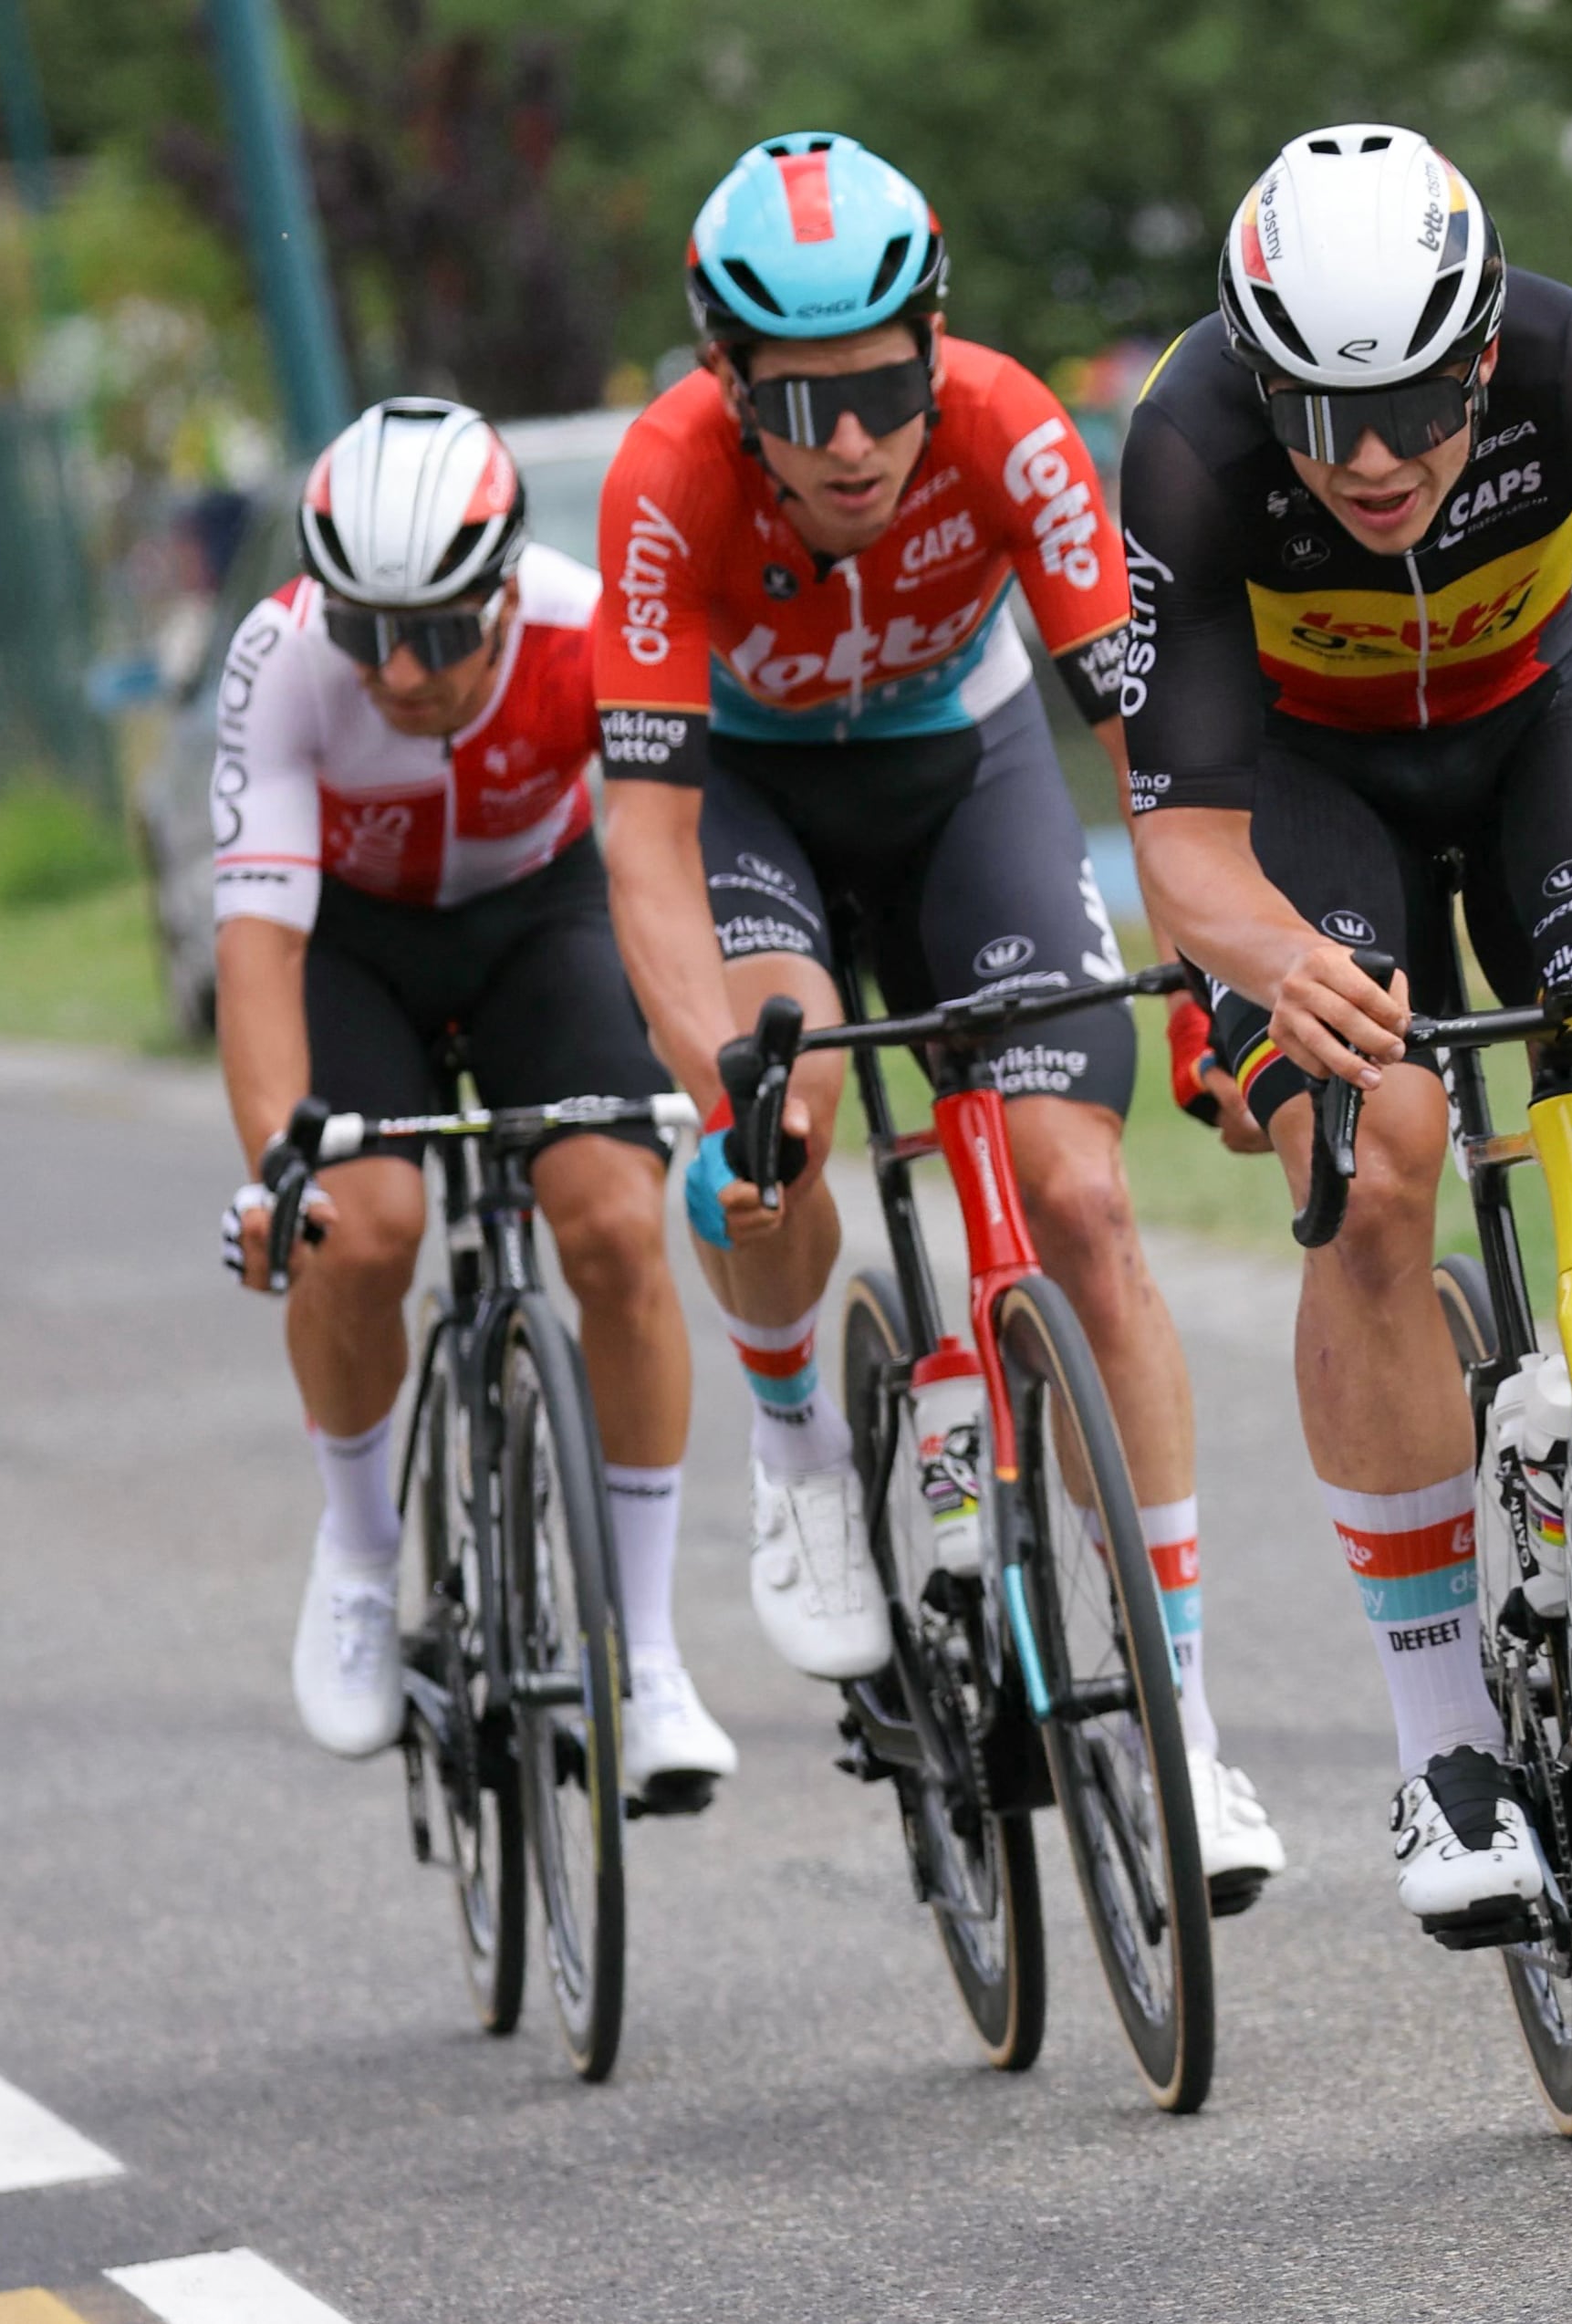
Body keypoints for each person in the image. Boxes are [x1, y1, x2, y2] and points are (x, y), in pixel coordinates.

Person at [590, 134, 1286, 1898]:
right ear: (726, 381)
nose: (852, 442)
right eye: (801, 402)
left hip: (964, 775)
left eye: (885, 388)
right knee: (787, 1118)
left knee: (1085, 1200)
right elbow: (647, 846)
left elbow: (1152, 753)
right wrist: (718, 1095)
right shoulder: (666, 478)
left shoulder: (1010, 427)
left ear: (936, 349)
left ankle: (1188, 1731)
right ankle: (802, 1452)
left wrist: (1211, 1001)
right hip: (755, 802)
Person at [1124, 126, 1572, 1944]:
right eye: (1322, 419)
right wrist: (1278, 967)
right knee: (1377, 1161)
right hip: (1304, 783)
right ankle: (1443, 1747)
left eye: (1414, 409)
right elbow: (1181, 841)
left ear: (1480, 356)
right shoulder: (1186, 444)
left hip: (1550, 711)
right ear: (1260, 382)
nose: (1372, 460)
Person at [213, 396, 733, 1806]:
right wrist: (274, 1175)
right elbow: (257, 948)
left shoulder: (584, 628)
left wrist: (714, 1083)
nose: (399, 671)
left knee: (613, 1225)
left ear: (505, 590)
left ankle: (646, 1652)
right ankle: (359, 1556)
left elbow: (661, 869)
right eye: (367, 631)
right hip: (353, 945)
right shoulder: (281, 657)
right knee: (361, 1229)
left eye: (440, 634)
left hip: (537, 920)